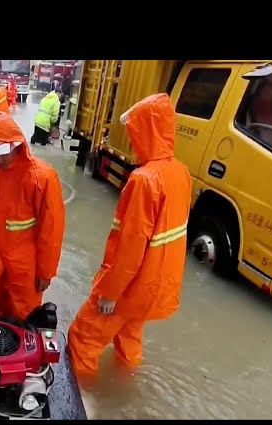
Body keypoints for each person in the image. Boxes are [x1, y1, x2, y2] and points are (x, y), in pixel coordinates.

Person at [67, 93, 192, 387]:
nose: (133, 141)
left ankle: (82, 399)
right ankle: (125, 386)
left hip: (129, 287)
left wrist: (110, 292)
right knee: (129, 337)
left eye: (136, 133)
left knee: (82, 338)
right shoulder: (181, 173)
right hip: (154, 286)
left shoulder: (144, 179)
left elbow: (131, 245)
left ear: (148, 131)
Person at [0, 112, 66, 321]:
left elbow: (51, 229)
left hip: (26, 266)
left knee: (24, 314)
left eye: (3, 153)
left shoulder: (41, 177)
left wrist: (46, 272)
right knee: (0, 301)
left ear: (17, 145)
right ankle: (1, 320)